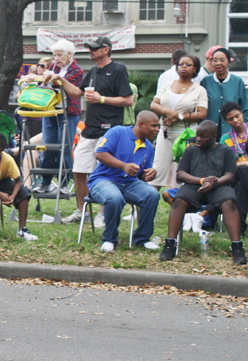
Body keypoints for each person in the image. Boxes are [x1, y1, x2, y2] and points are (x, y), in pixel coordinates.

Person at [43, 36, 134, 224]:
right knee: (79, 170)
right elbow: (77, 92)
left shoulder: (118, 69)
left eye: (94, 48)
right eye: (89, 48)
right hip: (89, 129)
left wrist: (102, 99)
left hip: (109, 130)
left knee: (105, 172)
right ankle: (82, 211)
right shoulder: (93, 71)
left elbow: (128, 100)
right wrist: (60, 78)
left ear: (106, 49)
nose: (90, 51)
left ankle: (102, 213)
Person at [159, 120, 247, 264]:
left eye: (203, 136)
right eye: (198, 135)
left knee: (229, 203)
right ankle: (170, 244)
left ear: (214, 136)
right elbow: (180, 174)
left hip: (219, 186)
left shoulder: (225, 151)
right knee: (179, 201)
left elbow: (230, 175)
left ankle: (237, 246)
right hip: (195, 185)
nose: (198, 139)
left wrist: (215, 182)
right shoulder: (190, 150)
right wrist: (202, 180)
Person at [86, 111, 161, 252]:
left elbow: (141, 175)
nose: (157, 129)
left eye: (158, 126)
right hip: (103, 180)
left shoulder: (149, 146)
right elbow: (100, 154)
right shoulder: (117, 132)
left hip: (129, 183)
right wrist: (123, 166)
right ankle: (109, 239)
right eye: (154, 126)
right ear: (140, 124)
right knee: (114, 198)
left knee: (152, 194)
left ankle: (142, 239)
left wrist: (151, 174)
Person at [149, 54, 208, 189]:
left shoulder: (199, 90)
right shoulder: (167, 85)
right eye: (181, 64)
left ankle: (178, 207)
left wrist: (179, 116)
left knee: (180, 175)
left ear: (195, 69)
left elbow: (202, 113)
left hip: (186, 135)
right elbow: (154, 104)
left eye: (188, 65)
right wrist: (168, 112)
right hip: (165, 133)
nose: (184, 67)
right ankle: (148, 207)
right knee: (157, 172)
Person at [33, 39, 84, 195]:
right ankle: (45, 182)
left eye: (60, 55)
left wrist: (57, 79)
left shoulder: (77, 70)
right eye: (54, 55)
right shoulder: (54, 67)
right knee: (48, 146)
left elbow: (70, 88)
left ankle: (63, 183)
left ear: (69, 54)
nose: (56, 58)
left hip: (69, 113)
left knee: (65, 147)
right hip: (50, 111)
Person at [201, 47, 247, 139]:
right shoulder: (205, 82)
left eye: (222, 60)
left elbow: (245, 107)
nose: (218, 63)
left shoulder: (237, 82)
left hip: (232, 132)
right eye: (215, 60)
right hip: (210, 133)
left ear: (229, 62)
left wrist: (243, 128)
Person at [220, 101, 248, 234]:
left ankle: (240, 227)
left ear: (242, 114)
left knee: (241, 188)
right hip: (234, 175)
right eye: (230, 119)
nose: (235, 120)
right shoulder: (225, 139)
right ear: (226, 121)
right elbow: (227, 165)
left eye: (237, 116)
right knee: (243, 170)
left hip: (242, 181)